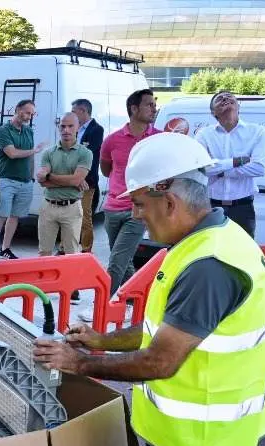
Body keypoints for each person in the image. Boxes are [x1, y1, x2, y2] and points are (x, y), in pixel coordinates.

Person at [34, 132, 265, 446]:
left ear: (170, 200)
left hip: (197, 445)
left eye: (141, 205)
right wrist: (101, 340)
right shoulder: (208, 242)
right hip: (196, 441)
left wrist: (81, 361)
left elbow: (161, 359)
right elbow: (162, 331)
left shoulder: (209, 266)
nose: (138, 217)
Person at [79, 89, 161, 322]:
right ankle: (139, 301)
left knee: (116, 261)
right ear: (134, 109)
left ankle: (99, 304)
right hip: (113, 208)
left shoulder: (159, 138)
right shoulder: (113, 139)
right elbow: (106, 168)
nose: (154, 109)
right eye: (149, 105)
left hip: (139, 209)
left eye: (154, 105)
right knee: (123, 263)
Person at [195, 90, 265, 238]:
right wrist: (236, 161)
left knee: (243, 254)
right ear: (213, 112)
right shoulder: (204, 134)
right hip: (211, 206)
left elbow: (259, 168)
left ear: (238, 106)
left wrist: (221, 170)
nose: (225, 99)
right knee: (210, 249)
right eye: (219, 99)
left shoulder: (257, 132)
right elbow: (201, 168)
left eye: (230, 97)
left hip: (243, 207)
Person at [0, 99, 48, 259]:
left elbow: (30, 158)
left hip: (25, 182)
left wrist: (31, 177)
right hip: (6, 180)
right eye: (26, 112)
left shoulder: (28, 131)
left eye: (31, 114)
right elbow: (12, 153)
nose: (28, 117)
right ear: (17, 109)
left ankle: (5, 248)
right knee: (1, 216)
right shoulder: (3, 131)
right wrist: (35, 150)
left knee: (15, 216)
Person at [35, 113, 92, 261]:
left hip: (71, 208)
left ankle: (69, 285)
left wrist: (50, 177)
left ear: (78, 127)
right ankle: (43, 284)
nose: (66, 130)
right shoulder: (48, 153)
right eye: (63, 126)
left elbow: (76, 179)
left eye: (70, 126)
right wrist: (70, 180)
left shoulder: (85, 153)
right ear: (58, 127)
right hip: (49, 207)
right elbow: (41, 180)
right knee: (44, 253)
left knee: (71, 255)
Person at [71, 99, 104, 254]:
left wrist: (81, 176)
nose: (72, 115)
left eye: (74, 111)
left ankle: (86, 250)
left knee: (85, 216)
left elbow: (87, 153)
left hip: (87, 181)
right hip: (72, 179)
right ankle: (67, 247)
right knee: (70, 215)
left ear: (83, 111)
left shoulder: (96, 129)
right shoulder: (75, 128)